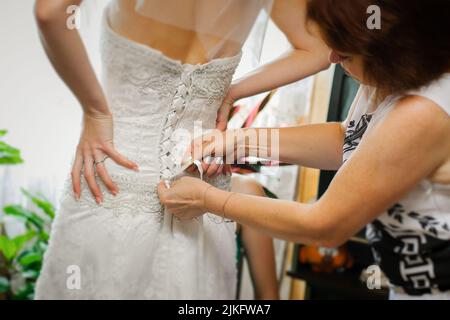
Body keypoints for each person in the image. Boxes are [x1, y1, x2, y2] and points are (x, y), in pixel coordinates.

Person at [33, 0, 329, 299]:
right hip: (202, 196)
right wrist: (233, 90)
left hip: (110, 175)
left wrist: (95, 111)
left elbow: (51, 11)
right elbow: (318, 51)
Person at [158, 0, 450, 299]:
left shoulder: (423, 112)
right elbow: (346, 139)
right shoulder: (392, 74)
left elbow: (324, 225)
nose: (333, 57)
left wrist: (208, 199)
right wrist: (241, 140)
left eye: (345, 52)